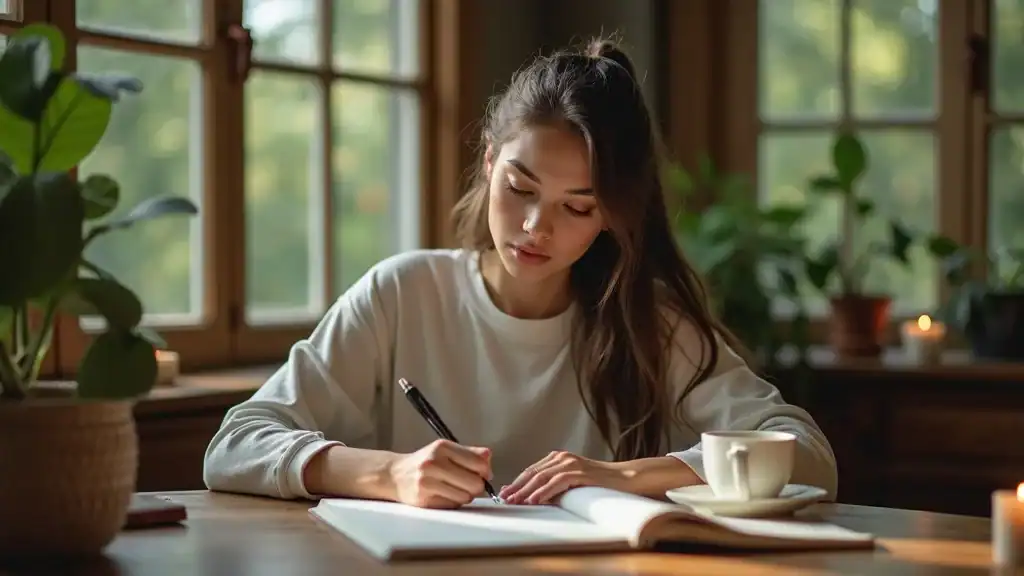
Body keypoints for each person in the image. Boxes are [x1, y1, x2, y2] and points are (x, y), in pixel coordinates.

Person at [203, 37, 837, 509]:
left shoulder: (644, 319)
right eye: (520, 187)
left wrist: (622, 475)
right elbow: (235, 445)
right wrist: (387, 474)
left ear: (611, 218)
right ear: (488, 163)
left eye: (577, 207)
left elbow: (805, 452)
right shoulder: (403, 294)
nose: (537, 226)